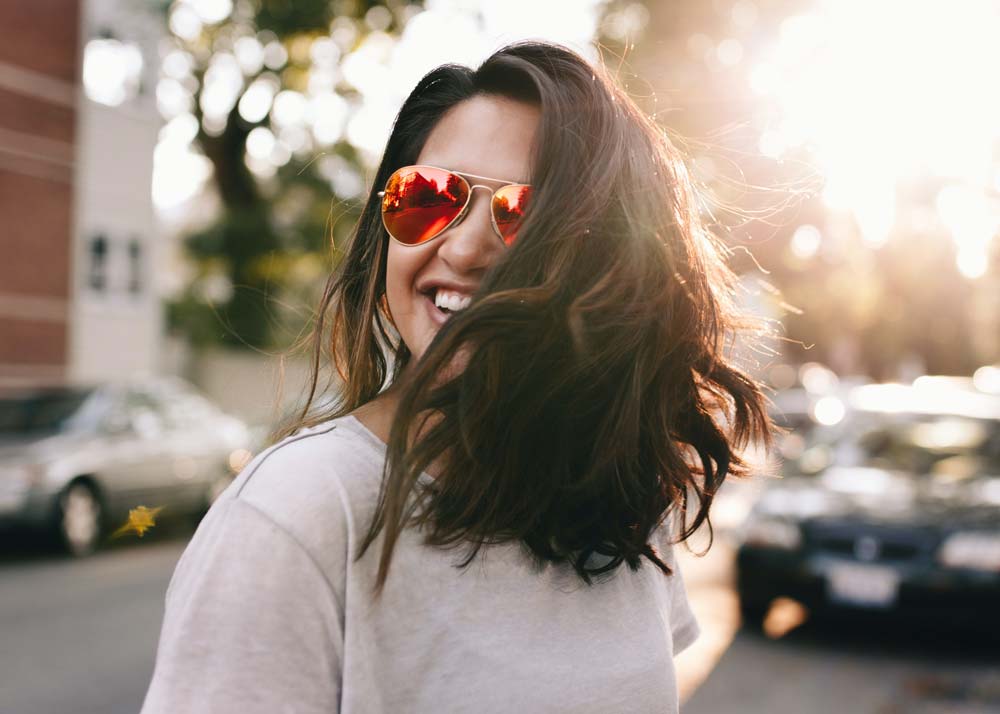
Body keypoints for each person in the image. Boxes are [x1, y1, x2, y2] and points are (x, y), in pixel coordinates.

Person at [141, 41, 771, 714]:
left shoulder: (619, 500)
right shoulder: (297, 513)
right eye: (427, 198)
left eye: (524, 214)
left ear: (612, 265)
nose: (465, 248)